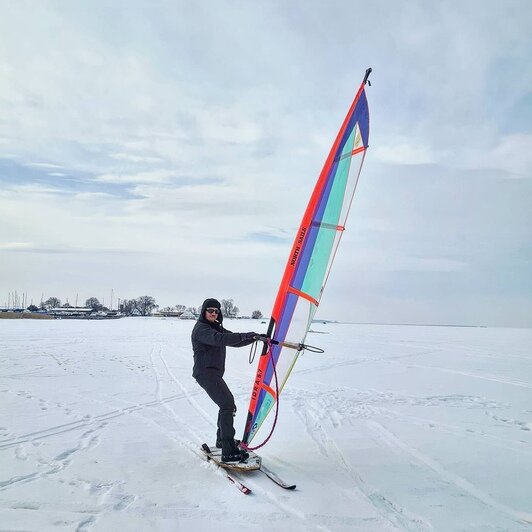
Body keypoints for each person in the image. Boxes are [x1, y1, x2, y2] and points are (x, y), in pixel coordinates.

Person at [191, 298, 258, 462]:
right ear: (204, 312)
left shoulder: (216, 328)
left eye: (216, 311)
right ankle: (228, 450)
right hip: (205, 373)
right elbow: (219, 339)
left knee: (227, 404)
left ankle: (222, 441)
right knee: (227, 405)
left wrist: (254, 338)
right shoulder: (202, 329)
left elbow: (231, 339)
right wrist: (246, 335)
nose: (214, 313)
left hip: (213, 373)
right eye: (210, 310)